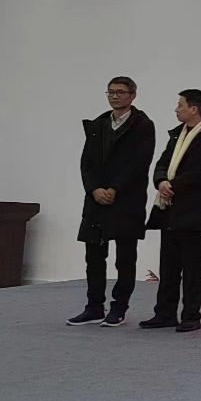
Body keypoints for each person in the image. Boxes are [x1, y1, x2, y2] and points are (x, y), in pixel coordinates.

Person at [67, 76, 156, 328]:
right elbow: (86, 163)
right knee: (94, 255)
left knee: (125, 257)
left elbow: (140, 162)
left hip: (127, 199)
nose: (115, 96)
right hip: (96, 200)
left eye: (120, 92)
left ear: (132, 95)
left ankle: (119, 308)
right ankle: (94, 306)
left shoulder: (143, 125)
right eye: (111, 92)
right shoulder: (98, 124)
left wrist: (115, 188)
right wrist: (94, 188)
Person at [139, 89, 201, 333]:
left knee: (192, 267)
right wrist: (161, 181)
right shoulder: (178, 133)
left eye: (180, 105)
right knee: (168, 265)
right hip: (169, 209)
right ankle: (165, 313)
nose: (176, 109)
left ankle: (191, 315)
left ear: (194, 109)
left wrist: (173, 185)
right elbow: (162, 163)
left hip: (194, 210)